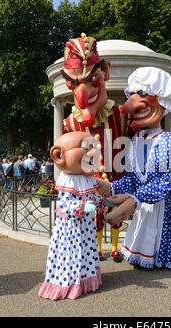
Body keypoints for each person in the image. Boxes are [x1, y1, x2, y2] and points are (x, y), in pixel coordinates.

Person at [96, 67, 171, 269]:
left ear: (161, 100)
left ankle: (163, 259)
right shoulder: (135, 140)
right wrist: (111, 187)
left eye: (141, 94)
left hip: (166, 209)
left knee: (162, 238)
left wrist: (136, 198)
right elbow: (132, 177)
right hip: (144, 208)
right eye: (131, 94)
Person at [60, 33, 132, 262]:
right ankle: (98, 247)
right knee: (95, 216)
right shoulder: (69, 123)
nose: (83, 93)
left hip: (115, 177)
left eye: (92, 80)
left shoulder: (121, 116)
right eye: (74, 83)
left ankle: (115, 247)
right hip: (87, 184)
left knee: (115, 213)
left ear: (106, 72)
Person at [38, 131, 115, 300]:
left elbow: (90, 197)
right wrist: (81, 206)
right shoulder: (67, 179)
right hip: (70, 230)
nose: (93, 152)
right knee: (72, 255)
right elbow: (64, 206)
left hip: (86, 227)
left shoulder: (86, 179)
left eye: (93, 147)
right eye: (86, 147)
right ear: (58, 155)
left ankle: (86, 281)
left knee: (86, 252)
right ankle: (70, 283)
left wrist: (102, 201)